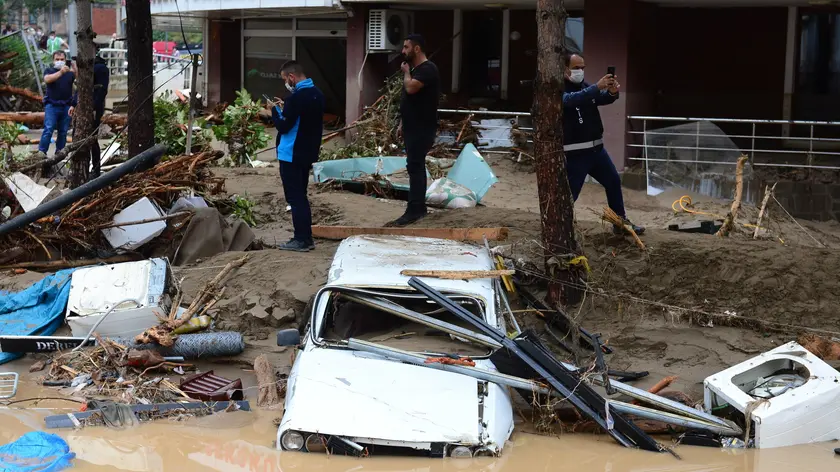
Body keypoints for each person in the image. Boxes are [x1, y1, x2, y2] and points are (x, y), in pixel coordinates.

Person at [562, 53, 644, 235]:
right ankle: (561, 228)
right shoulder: (559, 89)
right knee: (571, 194)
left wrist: (612, 93)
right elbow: (570, 100)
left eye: (583, 68)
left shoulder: (584, 87)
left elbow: (600, 97)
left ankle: (620, 223)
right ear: (565, 69)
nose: (580, 71)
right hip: (576, 153)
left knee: (613, 181)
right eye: (576, 68)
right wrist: (595, 88)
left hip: (597, 150)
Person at [271, 61, 325, 252]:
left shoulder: (296, 99)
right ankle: (305, 237)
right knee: (301, 195)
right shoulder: (317, 94)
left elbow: (284, 126)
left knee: (295, 198)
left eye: (285, 79)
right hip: (307, 153)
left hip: (291, 154)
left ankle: (302, 239)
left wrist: (274, 111)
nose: (286, 83)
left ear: (292, 77)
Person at [387, 33, 440, 227]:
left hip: (422, 127)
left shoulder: (427, 69)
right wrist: (403, 122)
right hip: (412, 126)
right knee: (413, 165)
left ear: (417, 49)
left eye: (406, 47)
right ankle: (417, 207)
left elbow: (411, 89)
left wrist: (406, 72)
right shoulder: (419, 69)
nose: (403, 51)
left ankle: (415, 209)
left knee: (415, 166)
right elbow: (410, 101)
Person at [37, 50, 75, 157]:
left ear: (65, 60)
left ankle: (60, 153)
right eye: (57, 60)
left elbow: (78, 78)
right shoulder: (49, 70)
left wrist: (73, 66)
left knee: (63, 131)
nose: (59, 61)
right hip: (52, 105)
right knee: (49, 129)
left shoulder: (69, 74)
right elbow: (47, 80)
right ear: (53, 61)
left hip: (66, 106)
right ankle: (42, 152)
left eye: (62, 59)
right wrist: (61, 72)